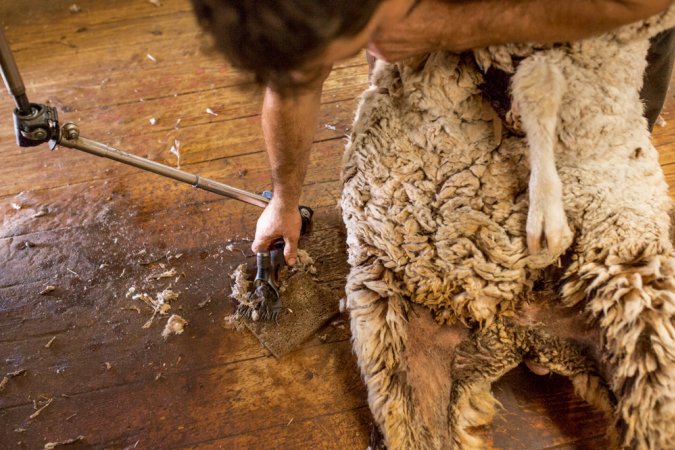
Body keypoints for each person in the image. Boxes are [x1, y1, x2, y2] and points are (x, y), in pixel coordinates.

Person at [190, 0, 674, 266]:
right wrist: (284, 200)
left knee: (599, 171)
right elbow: (294, 79)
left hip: (618, 23)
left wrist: (448, 25)